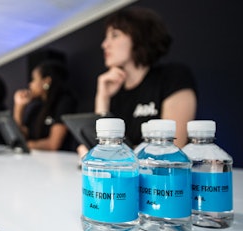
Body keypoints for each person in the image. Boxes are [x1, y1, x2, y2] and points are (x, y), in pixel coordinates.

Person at [79, 7, 197, 156]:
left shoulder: (173, 77)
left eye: (114, 35)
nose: (104, 44)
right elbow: (100, 143)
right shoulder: (115, 91)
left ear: (139, 37)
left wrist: (110, 154)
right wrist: (103, 97)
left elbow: (171, 148)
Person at [13, 60, 77, 151]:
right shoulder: (36, 106)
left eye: (33, 79)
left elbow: (53, 144)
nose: (30, 84)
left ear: (46, 81)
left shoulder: (64, 102)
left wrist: (26, 145)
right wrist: (18, 107)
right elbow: (20, 136)